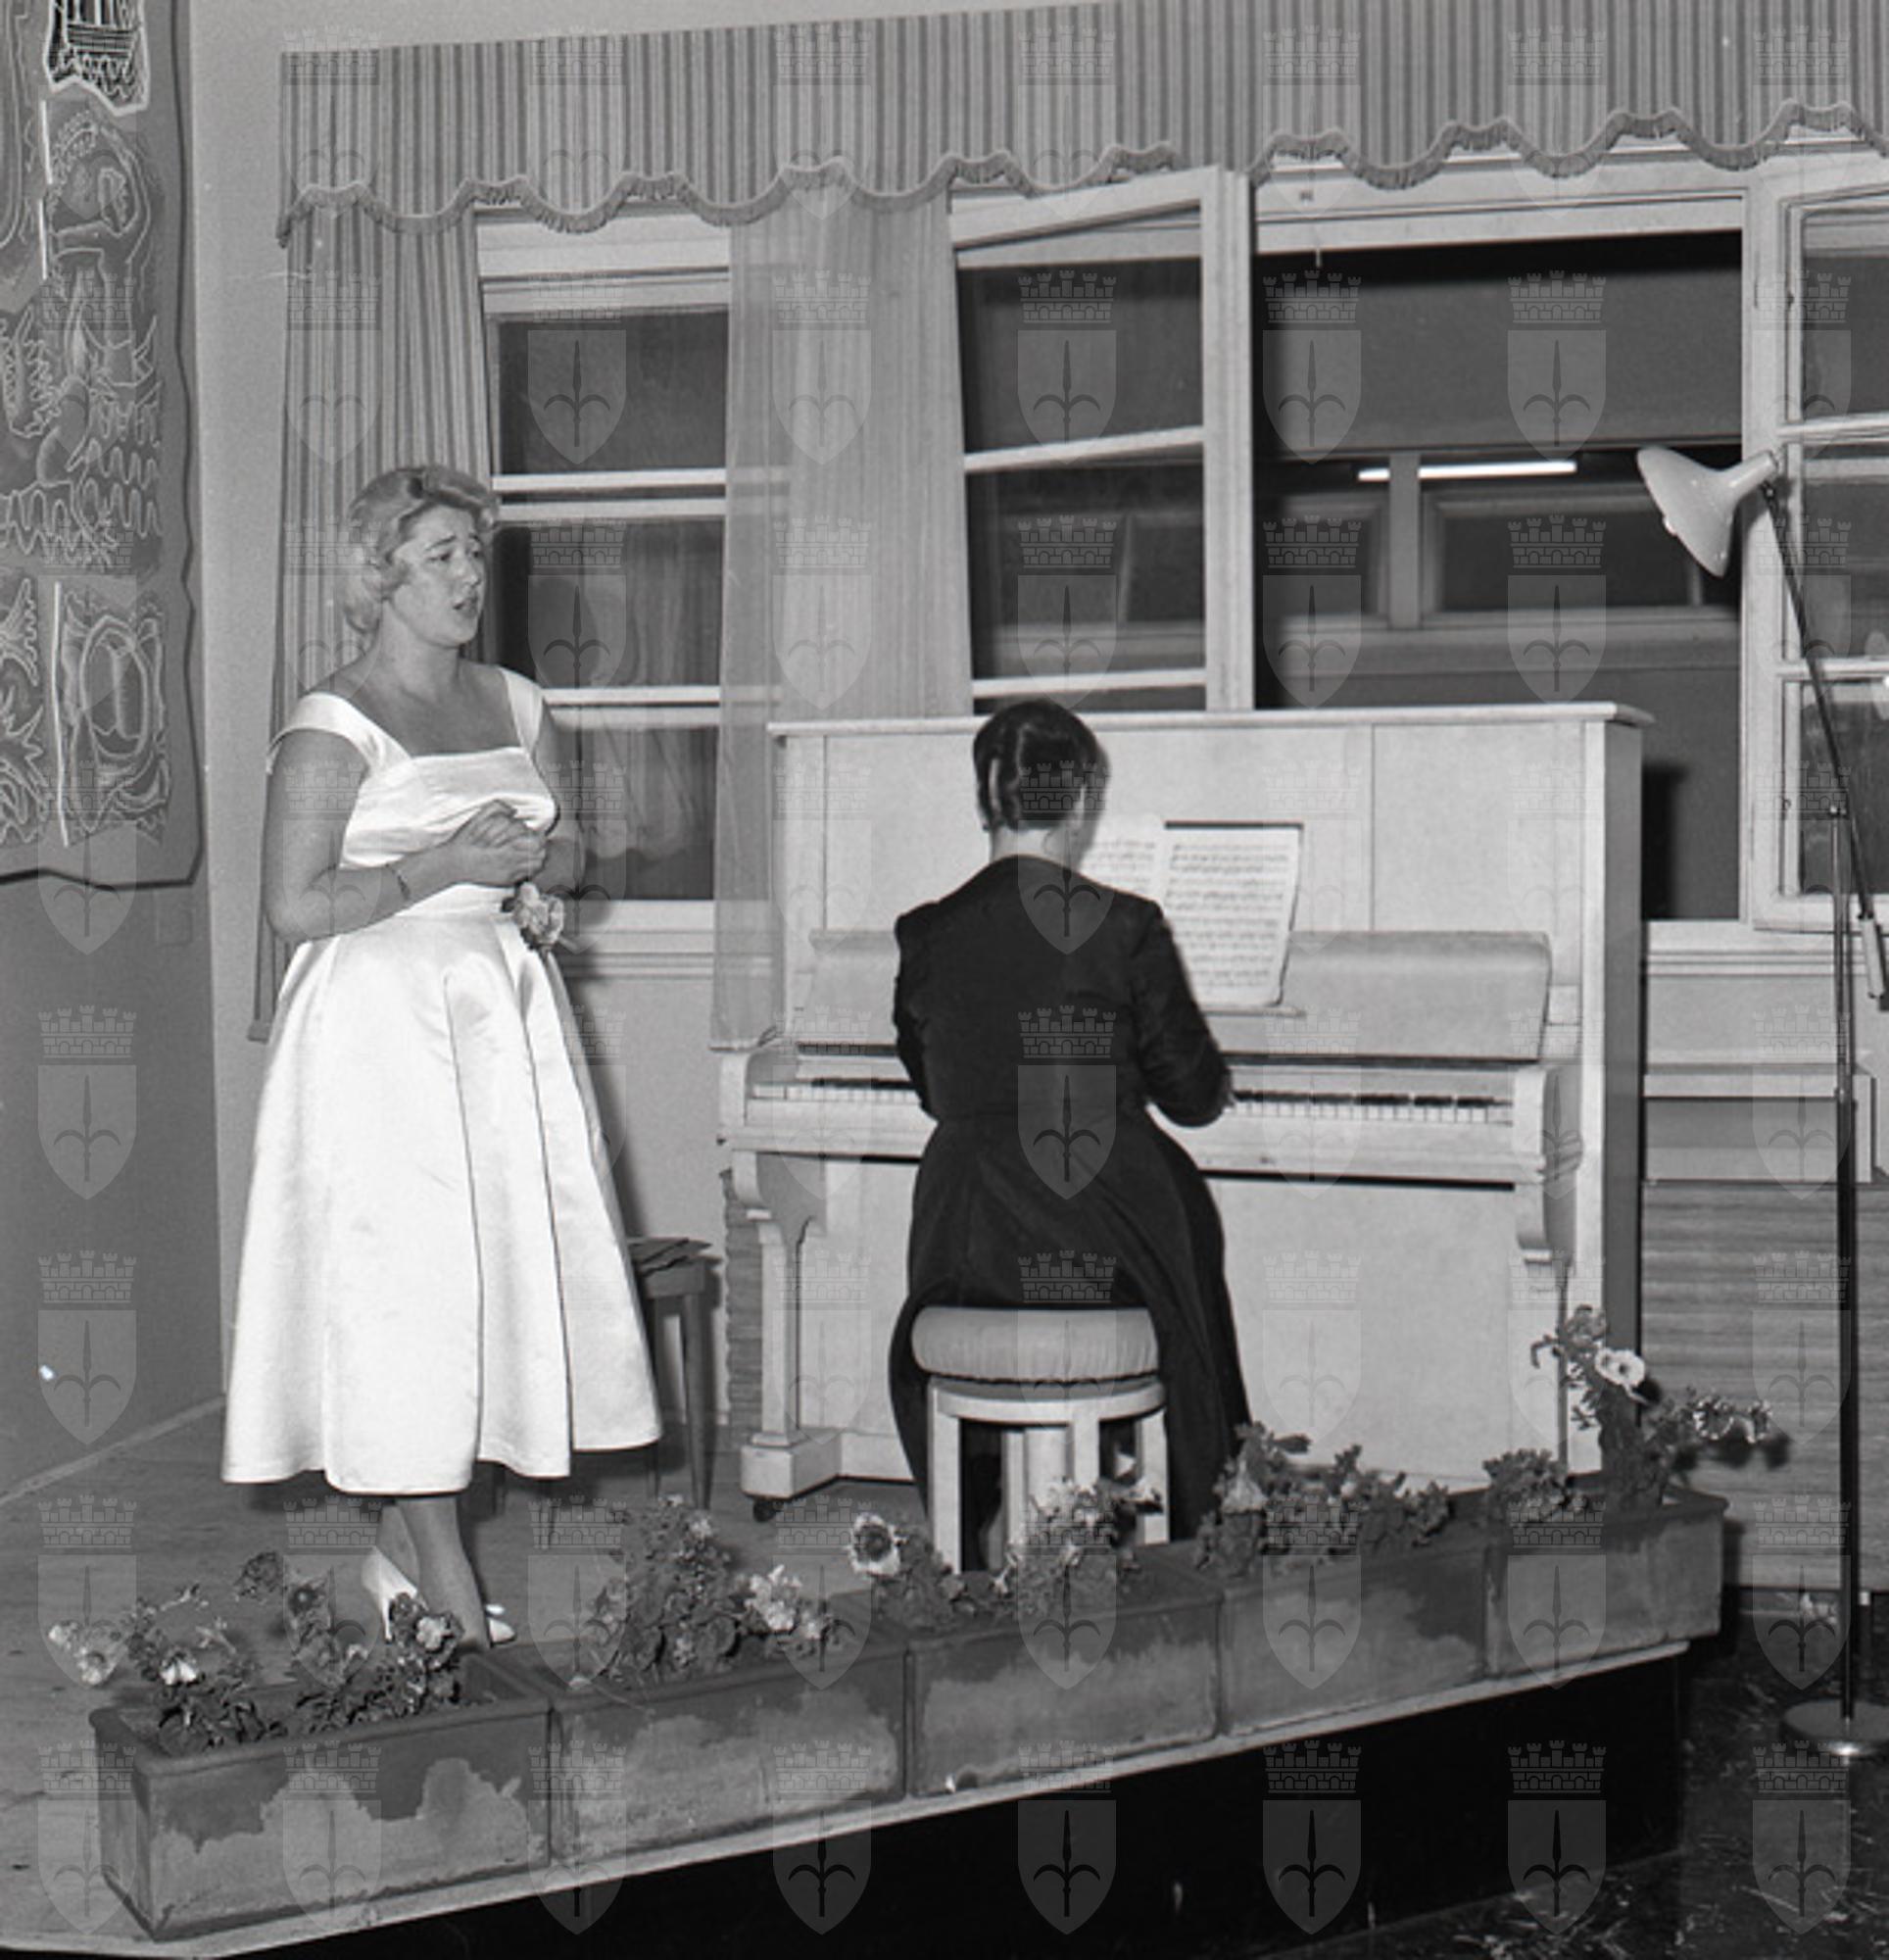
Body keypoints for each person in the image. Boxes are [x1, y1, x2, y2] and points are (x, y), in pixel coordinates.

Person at [221, 463, 660, 1645]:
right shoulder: (333, 723)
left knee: (477, 1287)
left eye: (475, 554)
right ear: (379, 576)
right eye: (441, 557)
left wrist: (531, 870)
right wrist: (444, 867)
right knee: (406, 1293)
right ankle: (453, 1599)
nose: (469, 577)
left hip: (498, 1011)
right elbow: (293, 907)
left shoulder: (515, 702)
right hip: (378, 1028)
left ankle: (395, 1559)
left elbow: (573, 852)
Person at [886, 699, 1249, 1551]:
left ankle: (991, 1533)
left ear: (984, 800)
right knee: (1189, 1253)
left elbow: (935, 1093)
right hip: (1104, 1235)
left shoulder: (925, 933)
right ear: (1081, 802)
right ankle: (1199, 1517)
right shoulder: (1124, 925)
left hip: (968, 1246)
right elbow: (1192, 1096)